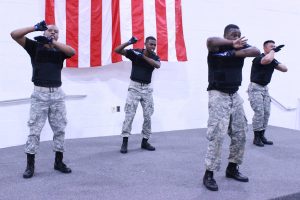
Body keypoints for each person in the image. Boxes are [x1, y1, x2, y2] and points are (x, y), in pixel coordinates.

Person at [10, 20, 76, 178]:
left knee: (60, 129)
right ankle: (30, 166)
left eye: (56, 31)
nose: (53, 32)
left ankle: (58, 162)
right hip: (40, 95)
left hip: (57, 95)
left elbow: (72, 52)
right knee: (34, 131)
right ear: (43, 32)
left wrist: (53, 42)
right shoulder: (34, 47)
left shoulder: (60, 51)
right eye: (50, 30)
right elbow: (14, 34)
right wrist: (34, 28)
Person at [203, 24, 260, 191]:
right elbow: (210, 40)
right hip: (218, 94)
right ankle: (209, 173)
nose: (236, 37)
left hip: (234, 95)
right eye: (232, 34)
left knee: (241, 133)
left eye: (239, 34)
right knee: (217, 136)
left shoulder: (240, 47)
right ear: (225, 35)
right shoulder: (215, 48)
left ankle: (232, 168)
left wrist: (235, 51)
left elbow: (256, 51)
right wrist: (231, 47)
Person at [114, 36, 161, 154]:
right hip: (134, 87)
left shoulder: (153, 56)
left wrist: (143, 57)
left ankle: (145, 141)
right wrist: (128, 42)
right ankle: (125, 141)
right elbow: (117, 50)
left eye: (154, 45)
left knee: (148, 115)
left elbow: (157, 65)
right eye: (151, 44)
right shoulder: (136, 53)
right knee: (129, 115)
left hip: (147, 88)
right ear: (145, 44)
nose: (153, 47)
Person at [248, 40, 287, 147]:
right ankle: (256, 138)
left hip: (265, 89)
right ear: (265, 48)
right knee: (259, 113)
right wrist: (273, 53)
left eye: (275, 47)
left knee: (266, 113)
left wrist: (274, 57)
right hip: (255, 88)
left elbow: (284, 69)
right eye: (271, 46)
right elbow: (267, 59)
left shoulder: (272, 60)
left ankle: (262, 136)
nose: (274, 48)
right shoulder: (258, 58)